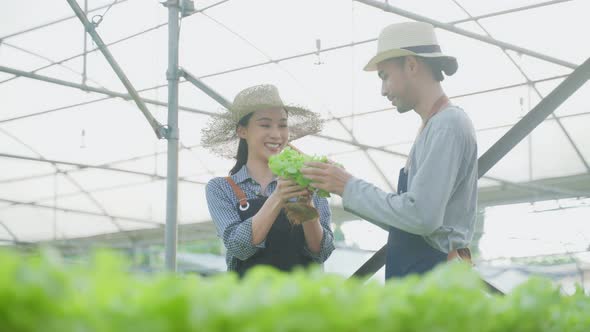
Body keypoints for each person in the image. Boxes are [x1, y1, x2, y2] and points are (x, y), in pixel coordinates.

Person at [301, 22, 477, 279]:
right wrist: (342, 184)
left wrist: (349, 186)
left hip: (434, 277)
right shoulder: (433, 126)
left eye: (384, 76)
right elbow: (408, 220)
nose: (383, 90)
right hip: (422, 274)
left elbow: (421, 217)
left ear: (412, 65)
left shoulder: (448, 124)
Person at [203, 84, 335, 276]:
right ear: (242, 131)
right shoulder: (221, 188)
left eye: (282, 125)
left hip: (304, 300)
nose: (276, 134)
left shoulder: (308, 181)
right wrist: (278, 196)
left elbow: (322, 252)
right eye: (265, 125)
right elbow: (239, 248)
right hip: (249, 303)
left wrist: (307, 207)